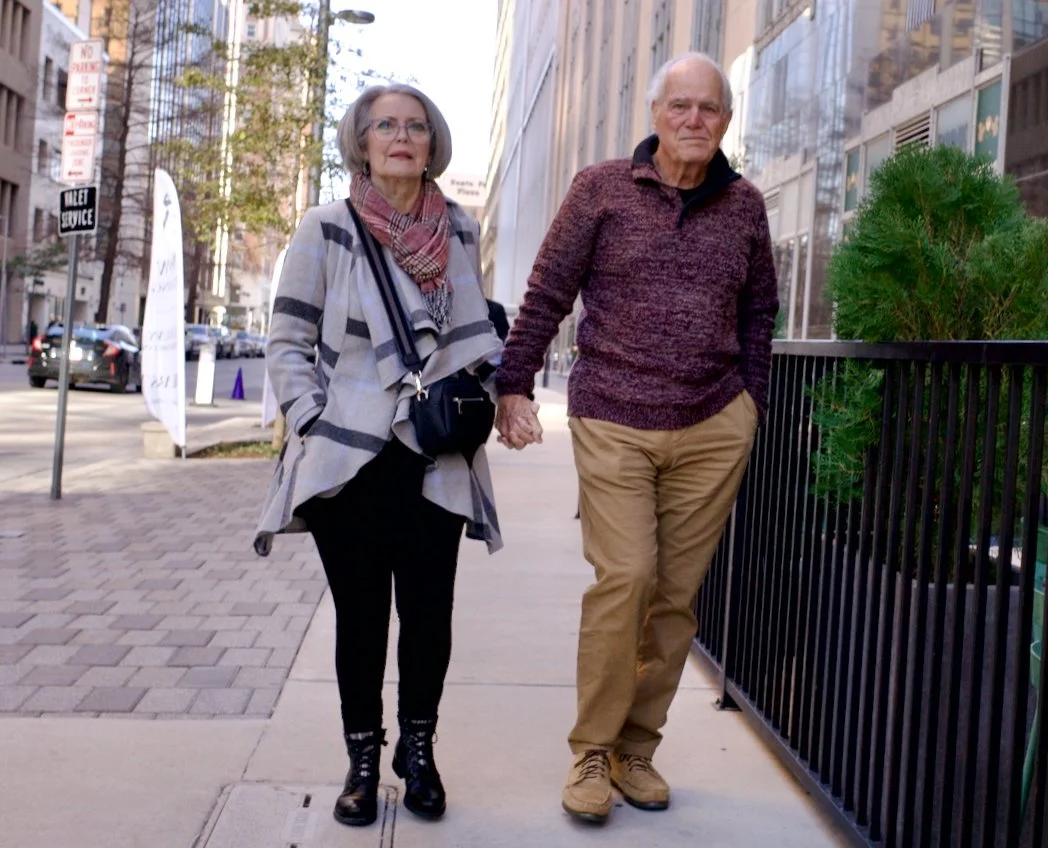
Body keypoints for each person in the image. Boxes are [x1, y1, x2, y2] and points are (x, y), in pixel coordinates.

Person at [494, 52, 778, 823]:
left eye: (709, 108)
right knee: (626, 577)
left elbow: (760, 311)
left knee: (675, 599)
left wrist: (750, 404)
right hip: (615, 413)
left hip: (713, 422)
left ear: (726, 120)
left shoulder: (745, 206)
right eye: (679, 105)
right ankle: (591, 749)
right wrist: (514, 383)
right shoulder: (600, 189)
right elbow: (548, 291)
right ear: (654, 113)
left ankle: (635, 748)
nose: (693, 119)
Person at [253, 83, 503, 828]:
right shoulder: (326, 228)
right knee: (360, 621)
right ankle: (362, 759)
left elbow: (474, 335)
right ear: (361, 143)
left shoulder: (459, 229)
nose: (401, 136)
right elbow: (287, 340)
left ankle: (418, 753)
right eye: (386, 125)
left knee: (429, 619)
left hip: (434, 455)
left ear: (433, 143)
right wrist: (313, 419)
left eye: (415, 126)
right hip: (349, 460)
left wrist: (491, 394)